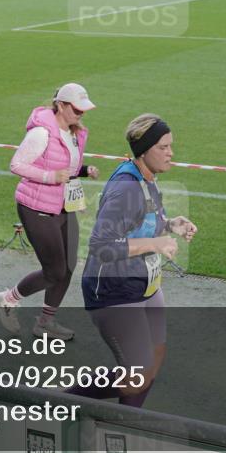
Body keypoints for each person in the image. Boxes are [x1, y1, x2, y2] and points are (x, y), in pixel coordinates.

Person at [68, 113, 197, 407]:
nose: (170, 153)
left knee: (153, 361)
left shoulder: (146, 177)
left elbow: (145, 220)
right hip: (114, 290)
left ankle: (124, 428)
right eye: (163, 147)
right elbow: (101, 245)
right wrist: (155, 243)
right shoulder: (126, 188)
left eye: (171, 146)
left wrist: (170, 224)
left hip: (145, 283)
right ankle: (57, 403)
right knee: (134, 377)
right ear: (144, 150)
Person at [0, 83, 100, 340]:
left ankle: (45, 322)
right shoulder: (41, 133)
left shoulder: (74, 133)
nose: (81, 114)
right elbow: (16, 164)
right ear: (61, 106)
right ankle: (8, 299)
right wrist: (50, 176)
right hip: (36, 207)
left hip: (63, 205)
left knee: (68, 267)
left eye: (83, 110)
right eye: (76, 109)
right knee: (54, 271)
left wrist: (83, 171)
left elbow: (65, 165)